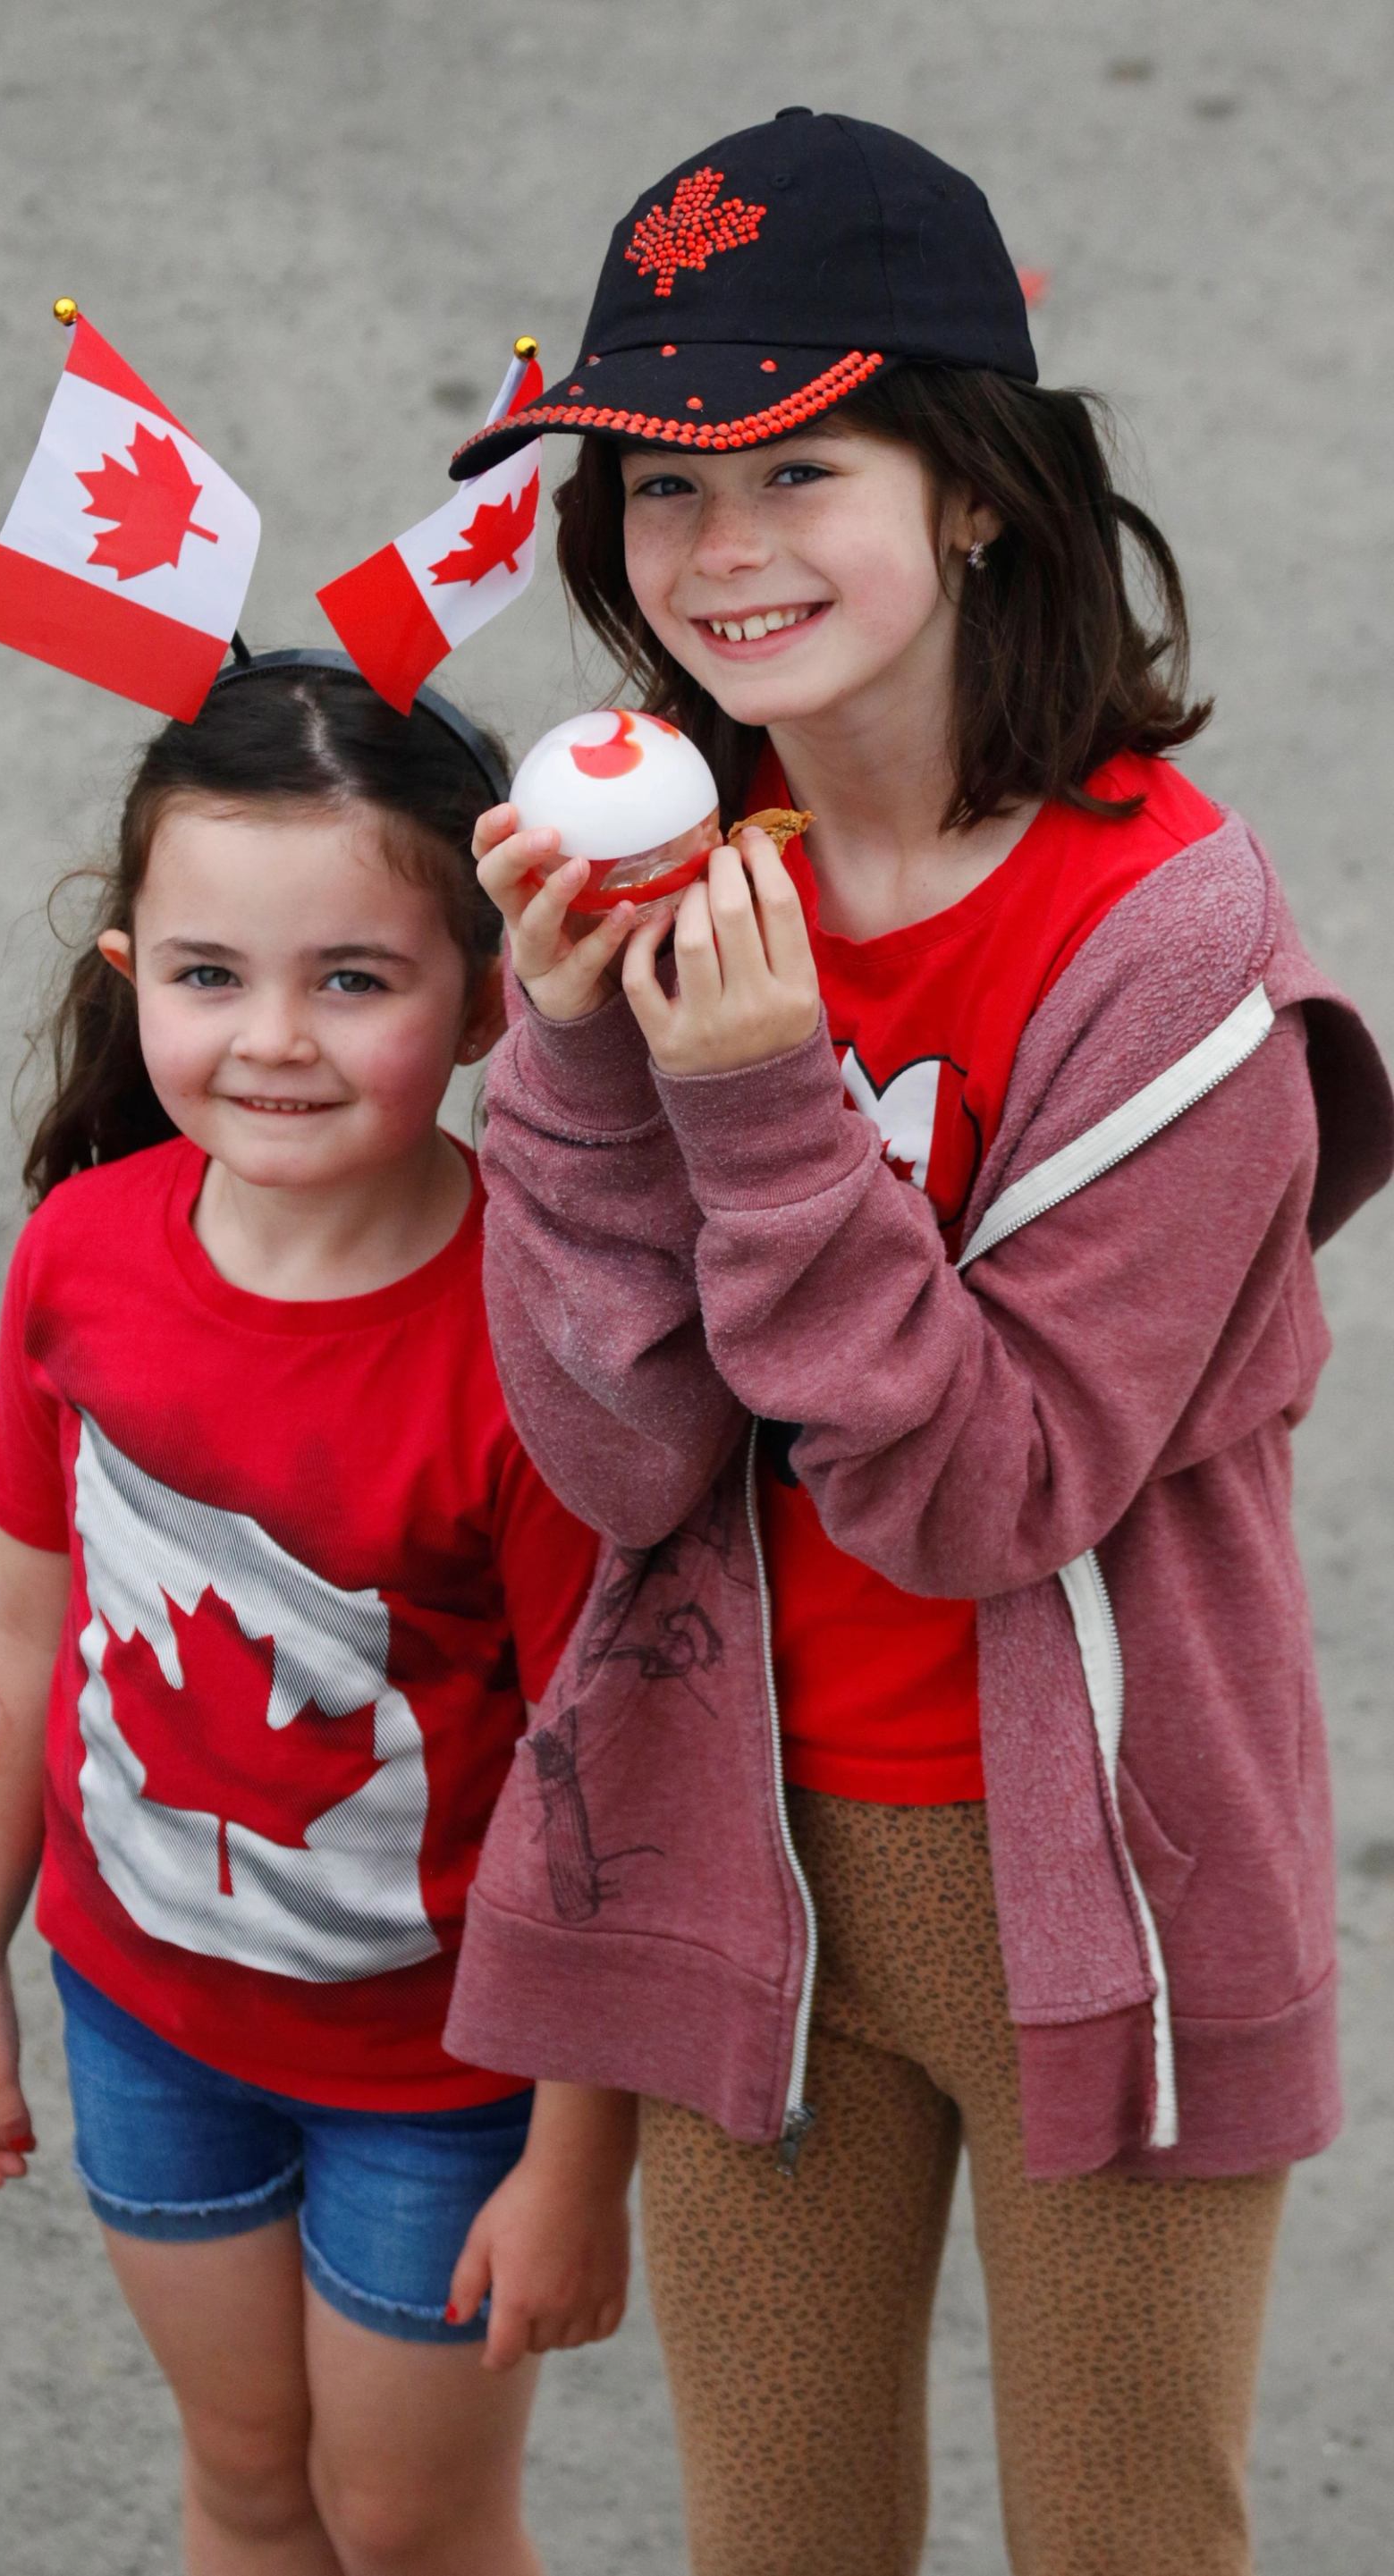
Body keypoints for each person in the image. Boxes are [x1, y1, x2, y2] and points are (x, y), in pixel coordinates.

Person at [444, 108, 1394, 2576]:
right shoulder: (667, 877)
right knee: (777, 2537)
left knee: (1124, 2543)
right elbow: (620, 1457)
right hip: (738, 1855)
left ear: (975, 488)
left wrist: (763, 1108)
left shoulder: (1171, 949)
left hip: (1108, 1884)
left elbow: (983, 1492)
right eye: (663, 488)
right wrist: (573, 1064)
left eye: (798, 468)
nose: (721, 550)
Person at [0, 655, 634, 2576]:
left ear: (488, 998)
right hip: (143, 2015)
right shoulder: (82, 1255)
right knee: (244, 2477)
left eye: (356, 978)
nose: (276, 1040)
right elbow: (14, 1627)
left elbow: (602, 1793)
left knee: (407, 2523)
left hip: (445, 2082)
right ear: (130, 968)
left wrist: (581, 2157)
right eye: (211, 974)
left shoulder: (534, 1348)